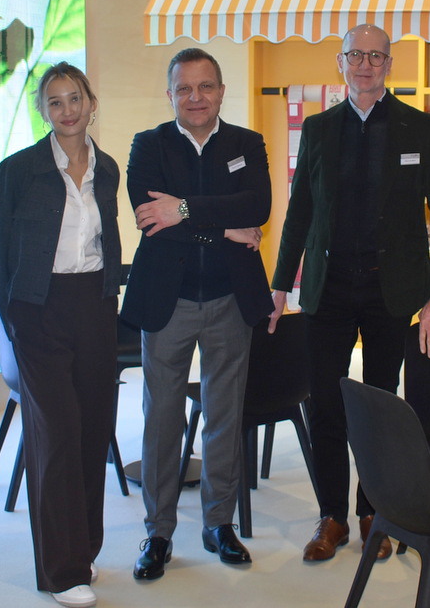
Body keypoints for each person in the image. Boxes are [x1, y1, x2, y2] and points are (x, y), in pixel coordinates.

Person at [269, 23, 430, 563]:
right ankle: (332, 515)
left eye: (376, 56)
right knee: (325, 402)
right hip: (328, 289)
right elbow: (300, 212)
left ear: (389, 65)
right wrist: (280, 284)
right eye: (356, 55)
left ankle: (374, 510)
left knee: (379, 402)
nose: (366, 65)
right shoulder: (318, 128)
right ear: (341, 63)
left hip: (391, 291)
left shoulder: (421, 128)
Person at [122, 47, 273, 581]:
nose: (195, 97)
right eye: (184, 88)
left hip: (231, 299)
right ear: (170, 95)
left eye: (205, 86)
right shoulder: (148, 145)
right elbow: (150, 219)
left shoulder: (247, 144)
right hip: (168, 302)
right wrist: (225, 227)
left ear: (221, 91)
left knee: (224, 415)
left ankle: (218, 524)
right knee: (162, 418)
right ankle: (158, 531)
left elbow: (257, 207)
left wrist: (183, 208)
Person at [0, 63, 123, 608]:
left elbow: (106, 240)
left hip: (94, 307)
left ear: (91, 103)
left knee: (93, 431)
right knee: (58, 435)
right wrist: (15, 321)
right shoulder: (18, 171)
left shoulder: (107, 168)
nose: (67, 110)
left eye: (75, 98)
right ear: (43, 111)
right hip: (39, 311)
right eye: (55, 101)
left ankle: (83, 551)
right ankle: (61, 572)